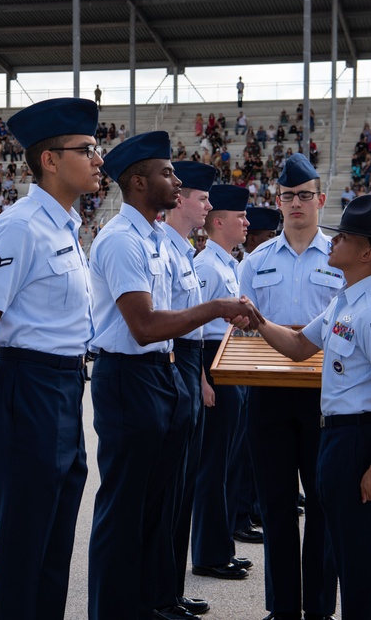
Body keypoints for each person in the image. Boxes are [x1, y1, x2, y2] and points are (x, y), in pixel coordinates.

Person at [86, 131, 263, 620]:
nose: (177, 179)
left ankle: (153, 600)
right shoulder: (123, 241)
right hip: (129, 374)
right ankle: (113, 610)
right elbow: (143, 326)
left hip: (160, 373)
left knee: (159, 501)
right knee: (125, 507)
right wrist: (218, 307)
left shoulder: (156, 241)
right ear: (139, 181)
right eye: (167, 172)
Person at [0, 97, 100, 620]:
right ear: (49, 160)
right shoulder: (20, 226)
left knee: (53, 552)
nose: (97, 158)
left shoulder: (64, 225)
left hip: (65, 391)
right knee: (20, 556)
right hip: (26, 389)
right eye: (86, 149)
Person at [256, 193, 371, 620]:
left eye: (344, 236)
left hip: (364, 442)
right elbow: (297, 346)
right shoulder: (345, 301)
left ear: (367, 252)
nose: (333, 240)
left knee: (365, 573)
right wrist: (256, 319)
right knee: (345, 557)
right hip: (334, 437)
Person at [237, 153, 342, 620]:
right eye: (287, 196)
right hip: (268, 396)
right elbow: (242, 328)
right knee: (277, 507)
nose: (296, 203)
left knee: (322, 507)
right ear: (277, 202)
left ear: (320, 199)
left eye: (304, 195)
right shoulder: (255, 261)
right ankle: (283, 611)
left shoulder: (341, 257)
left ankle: (318, 610)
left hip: (325, 395)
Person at [160, 160, 216, 618]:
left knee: (183, 487)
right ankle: (160, 593)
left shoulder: (181, 249)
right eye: (202, 198)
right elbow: (166, 325)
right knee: (170, 489)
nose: (208, 206)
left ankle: (170, 591)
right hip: (174, 361)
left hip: (190, 361)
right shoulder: (163, 247)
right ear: (180, 201)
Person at [191, 185, 254, 583]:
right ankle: (209, 552)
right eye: (240, 217)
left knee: (228, 461)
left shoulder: (229, 265)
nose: (246, 222)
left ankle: (221, 545)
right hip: (212, 364)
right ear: (218, 222)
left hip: (232, 363)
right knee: (213, 464)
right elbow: (192, 327)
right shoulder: (206, 267)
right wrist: (202, 380)